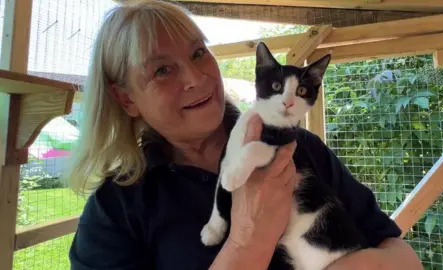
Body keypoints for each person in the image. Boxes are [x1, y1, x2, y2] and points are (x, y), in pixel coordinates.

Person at [65, 1, 423, 269]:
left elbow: (402, 258)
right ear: (126, 99)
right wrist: (248, 240)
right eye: (162, 70)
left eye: (198, 52)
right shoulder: (113, 212)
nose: (196, 78)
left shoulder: (300, 147)